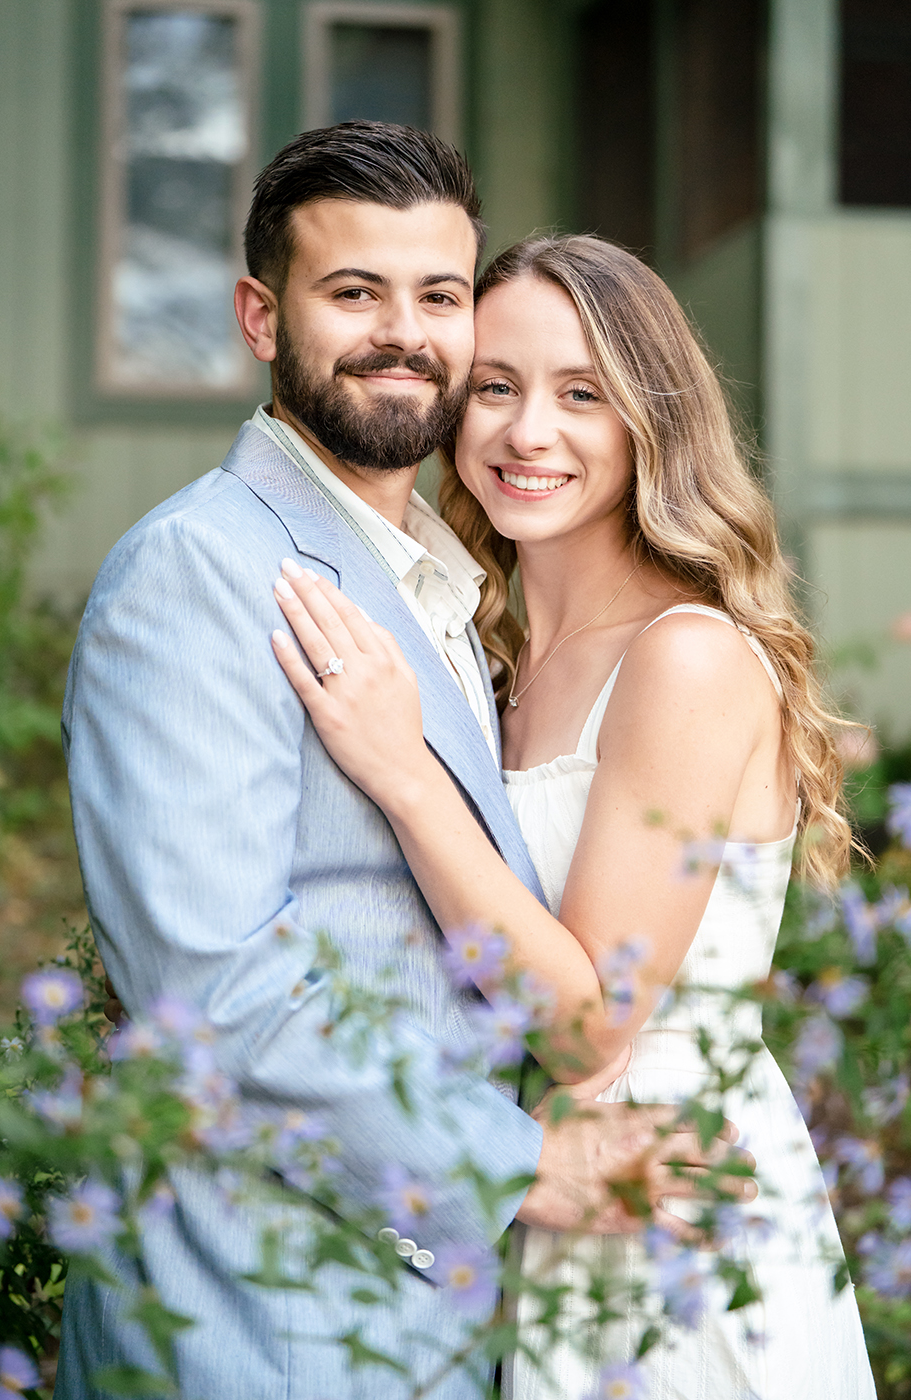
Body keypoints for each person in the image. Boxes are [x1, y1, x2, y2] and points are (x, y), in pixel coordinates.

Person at [57, 126, 743, 1400]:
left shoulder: (448, 589)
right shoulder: (197, 572)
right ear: (262, 316)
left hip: (436, 1314)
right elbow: (212, 989)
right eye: (353, 292)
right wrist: (516, 1164)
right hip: (261, 1317)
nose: (404, 332)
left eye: (438, 295)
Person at [270, 235, 877, 1398]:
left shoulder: (683, 657)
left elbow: (590, 1022)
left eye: (581, 394)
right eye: (494, 386)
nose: (525, 431)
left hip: (673, 1207)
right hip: (548, 1191)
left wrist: (407, 774)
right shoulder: (487, 664)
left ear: (651, 421)